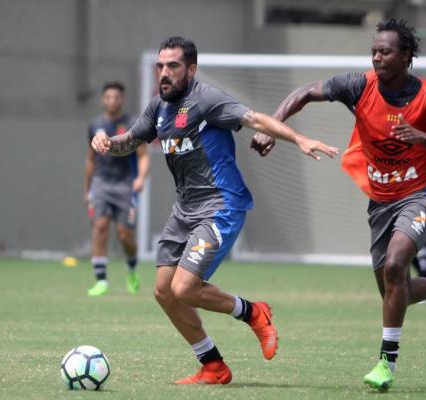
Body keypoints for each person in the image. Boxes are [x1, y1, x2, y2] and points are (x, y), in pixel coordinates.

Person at [91, 36, 338, 384]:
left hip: (221, 205)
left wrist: (298, 138)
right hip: (184, 208)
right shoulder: (158, 107)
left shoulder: (206, 99)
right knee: (164, 291)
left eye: (173, 66)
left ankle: (253, 312)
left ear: (191, 70)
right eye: (160, 66)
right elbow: (130, 141)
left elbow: (255, 119)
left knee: (184, 288)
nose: (164, 73)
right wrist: (107, 142)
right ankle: (213, 365)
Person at [250, 18, 426, 392]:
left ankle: (386, 364)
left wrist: (420, 136)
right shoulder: (358, 86)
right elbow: (305, 91)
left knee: (396, 265)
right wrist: (271, 125)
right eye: (374, 51)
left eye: (385, 52)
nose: (377, 57)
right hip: (381, 201)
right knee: (394, 290)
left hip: (420, 194)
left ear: (406, 55)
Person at [84, 81, 150, 296]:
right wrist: (87, 189)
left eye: (116, 97)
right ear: (103, 100)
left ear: (122, 99)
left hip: (125, 185)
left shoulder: (133, 124)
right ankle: (101, 280)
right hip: (101, 183)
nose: (112, 101)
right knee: (100, 227)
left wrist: (141, 178)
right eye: (108, 97)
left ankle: (132, 270)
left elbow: (143, 155)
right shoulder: (95, 125)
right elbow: (90, 159)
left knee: (124, 235)